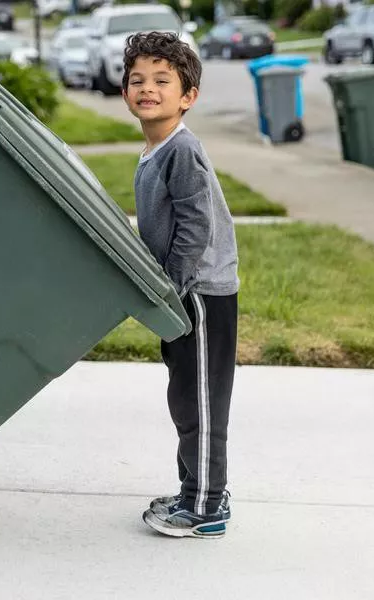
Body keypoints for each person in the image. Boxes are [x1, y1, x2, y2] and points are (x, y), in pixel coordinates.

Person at [122, 31, 240, 538]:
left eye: (162, 81)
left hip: (201, 294)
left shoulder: (181, 150)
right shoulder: (155, 150)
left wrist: (172, 287)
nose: (147, 88)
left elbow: (196, 228)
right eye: (137, 80)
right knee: (186, 399)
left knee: (204, 404)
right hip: (182, 292)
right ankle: (193, 489)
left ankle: (209, 506)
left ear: (187, 96)